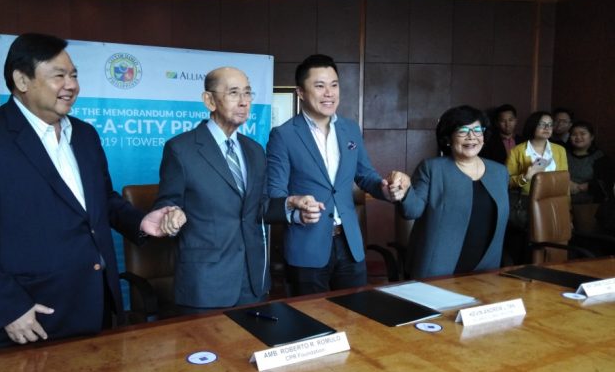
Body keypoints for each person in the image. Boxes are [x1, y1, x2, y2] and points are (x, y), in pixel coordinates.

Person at [0, 33, 182, 350]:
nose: (71, 85)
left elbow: (102, 201)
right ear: (22, 80)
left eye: (74, 75)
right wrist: (8, 306)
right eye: (59, 75)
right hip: (32, 315)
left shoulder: (84, 135)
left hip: (98, 305)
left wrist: (140, 222)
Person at [152, 66, 316, 313]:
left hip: (252, 280)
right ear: (209, 100)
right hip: (206, 284)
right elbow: (166, 203)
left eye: (248, 93)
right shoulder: (181, 149)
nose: (244, 102)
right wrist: (171, 214)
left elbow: (258, 207)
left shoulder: (254, 150)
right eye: (234, 93)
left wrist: (291, 205)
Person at [266, 54, 408, 295]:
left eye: (334, 85)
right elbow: (274, 194)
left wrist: (386, 188)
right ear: (300, 92)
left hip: (349, 244)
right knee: (311, 322)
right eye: (319, 86)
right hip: (306, 246)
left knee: (355, 319)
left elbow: (365, 176)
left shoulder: (350, 128)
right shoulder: (284, 135)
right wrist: (296, 209)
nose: (329, 93)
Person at [397, 105, 509, 278]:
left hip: (486, 271)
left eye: (477, 130)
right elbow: (412, 210)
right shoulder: (432, 169)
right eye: (463, 130)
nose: (472, 137)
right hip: (438, 271)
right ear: (448, 138)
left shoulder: (499, 172)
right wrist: (404, 192)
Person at [506, 111, 568, 196]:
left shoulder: (560, 150)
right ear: (532, 125)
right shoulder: (516, 151)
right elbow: (506, 181)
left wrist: (567, 204)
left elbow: (564, 179)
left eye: (550, 124)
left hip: (554, 198)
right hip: (527, 199)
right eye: (542, 124)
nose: (547, 128)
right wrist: (525, 177)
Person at [567, 120, 614, 204]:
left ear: (591, 137)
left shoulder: (601, 157)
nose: (578, 137)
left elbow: (607, 182)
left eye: (582, 134)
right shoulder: (563, 154)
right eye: (574, 134)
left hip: (593, 204)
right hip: (564, 201)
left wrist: (586, 186)